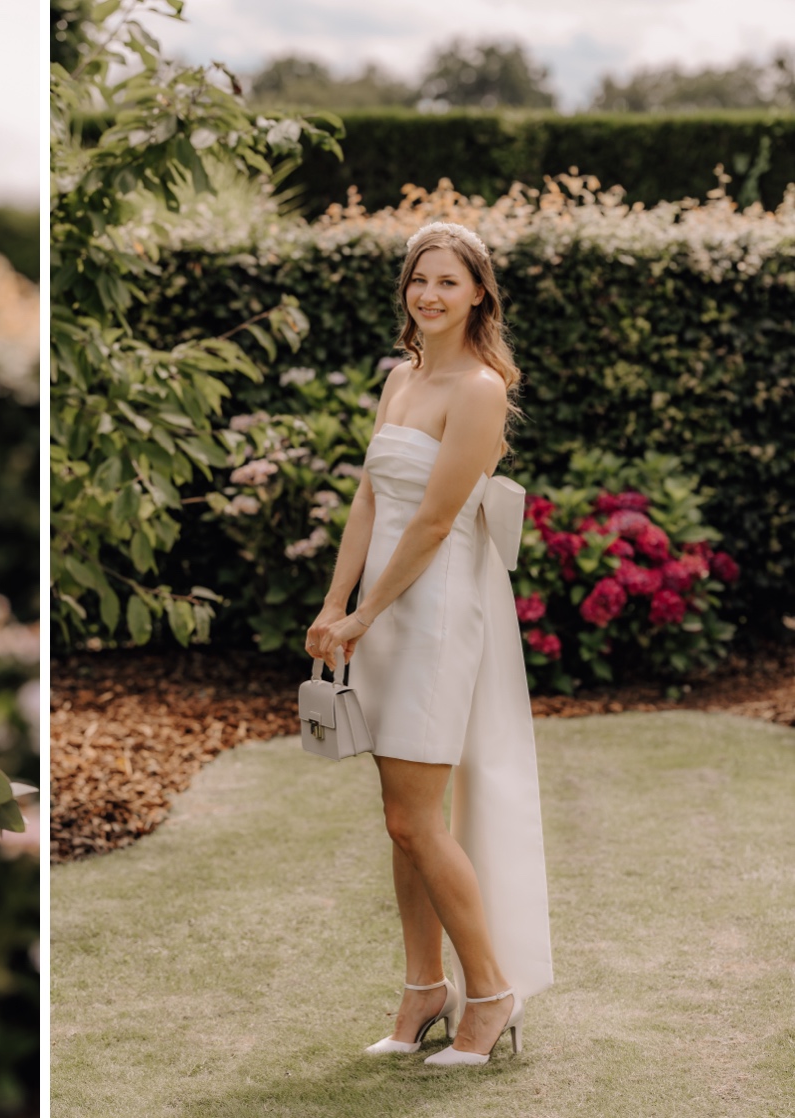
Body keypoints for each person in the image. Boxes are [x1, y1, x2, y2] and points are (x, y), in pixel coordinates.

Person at [305, 222, 553, 1067]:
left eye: (449, 282)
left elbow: (438, 520)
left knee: (415, 819)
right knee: (401, 820)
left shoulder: (479, 389)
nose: (430, 295)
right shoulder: (402, 377)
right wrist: (335, 602)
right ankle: (422, 992)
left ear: (479, 292)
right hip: (376, 605)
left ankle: (489, 993)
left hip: (433, 610)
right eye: (419, 280)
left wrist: (366, 614)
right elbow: (371, 501)